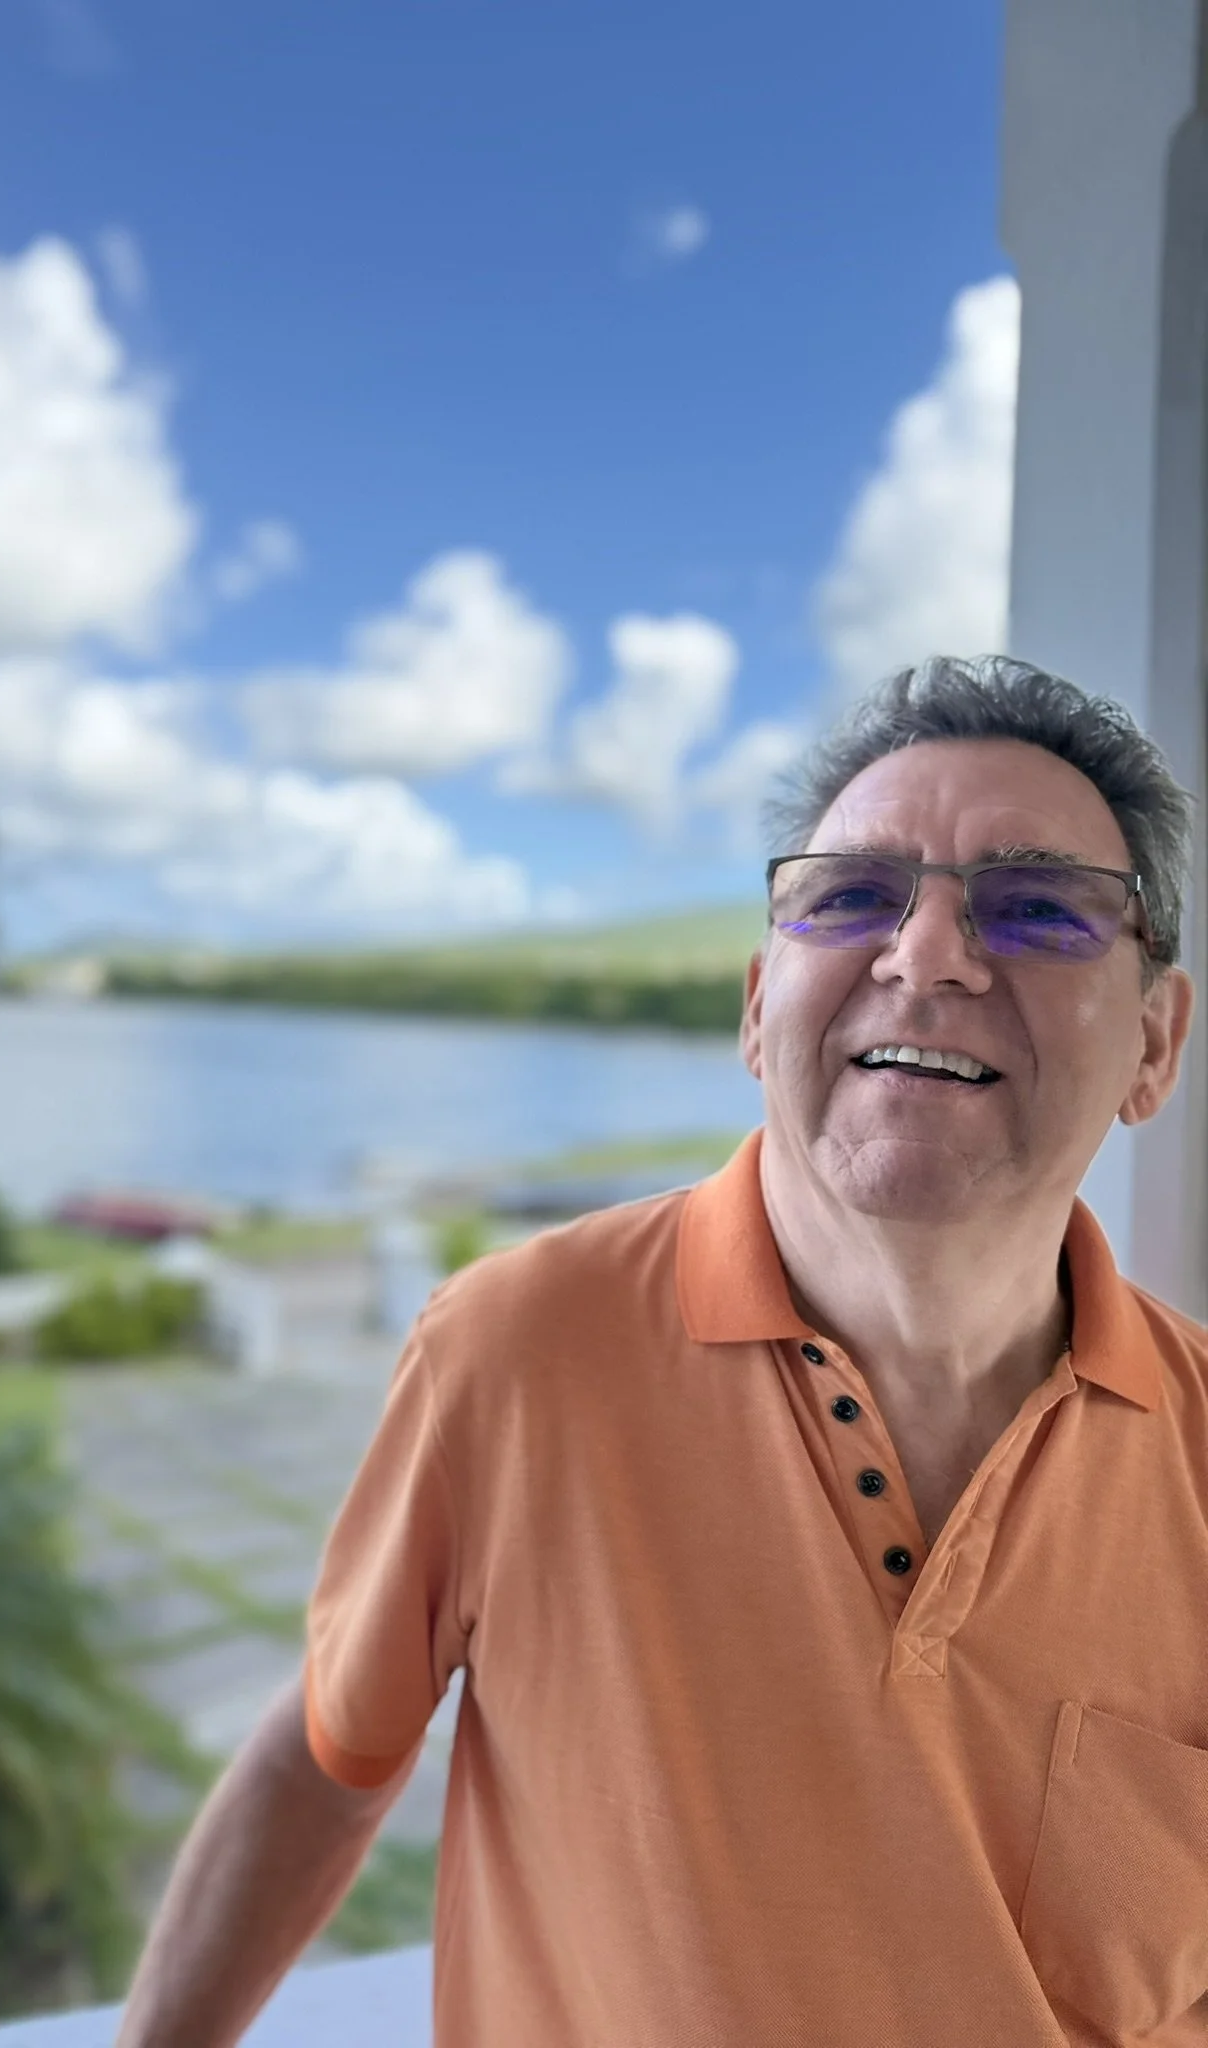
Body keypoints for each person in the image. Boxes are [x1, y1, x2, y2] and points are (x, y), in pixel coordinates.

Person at [117, 655, 1203, 2048]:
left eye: (1040, 909)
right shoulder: (518, 1350)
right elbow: (329, 1759)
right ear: (760, 1009)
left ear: (1156, 1048)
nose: (925, 954)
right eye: (854, 895)